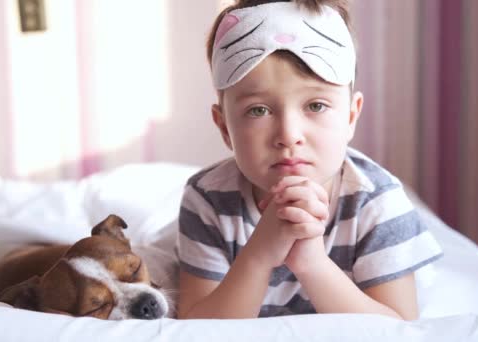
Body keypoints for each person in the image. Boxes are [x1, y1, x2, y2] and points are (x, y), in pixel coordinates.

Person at [176, 0, 442, 320]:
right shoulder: (207, 199)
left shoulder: (376, 201)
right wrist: (259, 255)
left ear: (350, 116)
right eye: (258, 110)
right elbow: (195, 326)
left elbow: (399, 327)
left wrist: (311, 264)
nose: (289, 135)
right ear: (224, 127)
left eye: (315, 106)